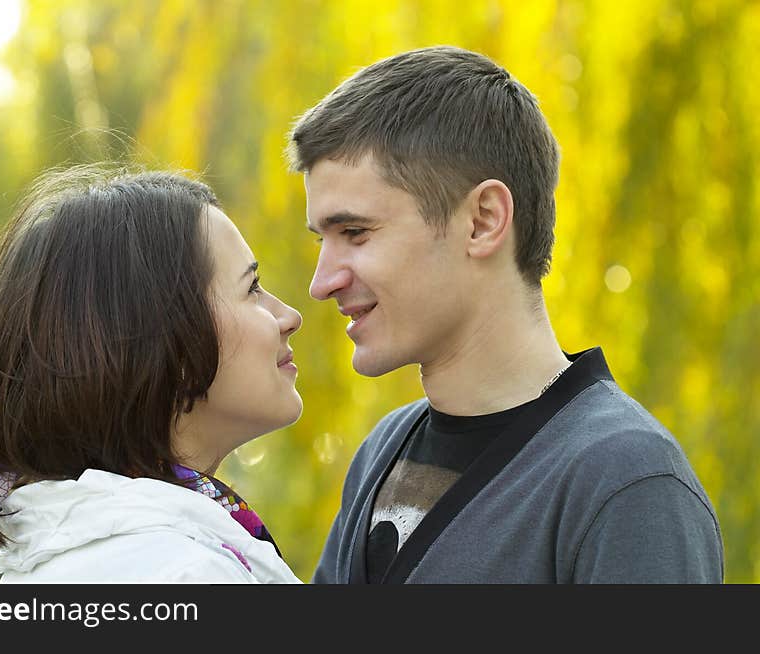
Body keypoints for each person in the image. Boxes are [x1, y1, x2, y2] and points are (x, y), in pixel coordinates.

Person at [288, 46, 723, 583]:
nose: (321, 282)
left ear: (483, 221)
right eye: (321, 240)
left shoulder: (626, 482)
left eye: (355, 233)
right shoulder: (382, 452)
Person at [0, 165, 303, 583]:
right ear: (169, 343)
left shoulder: (95, 555)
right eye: (252, 288)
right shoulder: (184, 574)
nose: (289, 317)